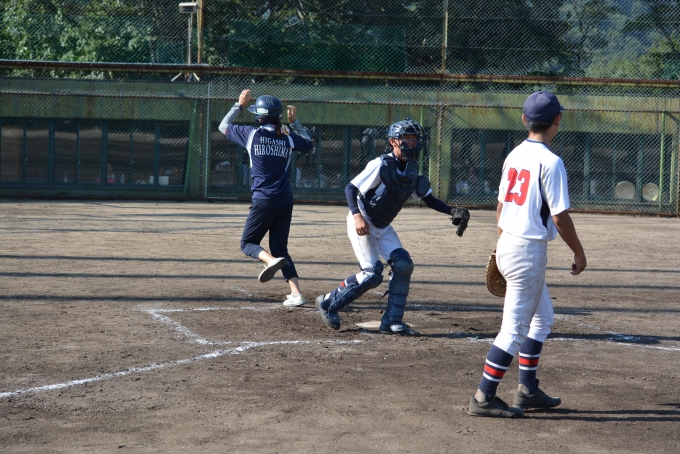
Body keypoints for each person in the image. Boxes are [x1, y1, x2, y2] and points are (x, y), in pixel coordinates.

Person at [467, 91, 587, 418]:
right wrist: (579, 252)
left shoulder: (514, 154)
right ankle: (483, 397)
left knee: (542, 318)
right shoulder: (551, 162)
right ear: (557, 120)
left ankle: (527, 389)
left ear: (524, 120)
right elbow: (559, 217)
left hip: (508, 242)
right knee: (514, 330)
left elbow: (501, 206)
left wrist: (505, 243)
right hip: (528, 252)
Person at [315, 118, 470, 335]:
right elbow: (350, 188)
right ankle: (328, 302)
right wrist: (357, 216)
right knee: (372, 275)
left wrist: (453, 211)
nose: (411, 143)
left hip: (383, 226)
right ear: (393, 141)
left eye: (414, 138)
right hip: (363, 221)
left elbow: (429, 199)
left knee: (403, 265)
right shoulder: (380, 164)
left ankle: (391, 321)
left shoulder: (412, 171)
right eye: (406, 138)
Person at [219, 89, 313, 307]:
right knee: (280, 248)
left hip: (264, 199)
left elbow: (223, 126)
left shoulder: (251, 134)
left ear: (260, 117)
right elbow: (309, 144)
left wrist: (239, 106)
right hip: (285, 199)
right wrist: (295, 123)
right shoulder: (287, 137)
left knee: (247, 243)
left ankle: (270, 261)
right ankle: (296, 293)